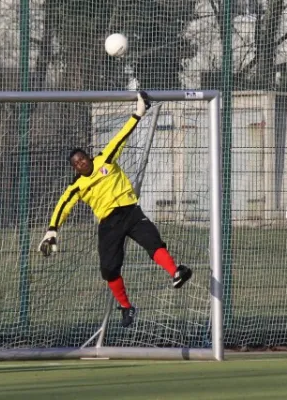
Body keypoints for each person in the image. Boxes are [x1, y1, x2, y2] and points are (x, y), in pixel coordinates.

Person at [38, 91, 193, 328]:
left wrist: (138, 113)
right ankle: (127, 307)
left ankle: (176, 272)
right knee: (109, 269)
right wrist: (52, 231)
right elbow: (62, 207)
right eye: (76, 164)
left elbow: (122, 136)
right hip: (108, 223)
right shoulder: (76, 186)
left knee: (153, 242)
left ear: (88, 157)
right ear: (75, 169)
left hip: (130, 212)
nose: (81, 163)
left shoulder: (106, 159)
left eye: (82, 158)